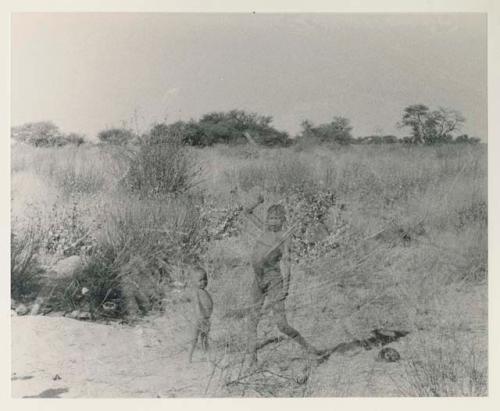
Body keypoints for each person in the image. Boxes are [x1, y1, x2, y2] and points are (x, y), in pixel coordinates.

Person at [244, 194, 322, 367]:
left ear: (283, 220)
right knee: (252, 319)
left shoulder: (284, 237)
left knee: (281, 324)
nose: (273, 221)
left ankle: (310, 349)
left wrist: (286, 287)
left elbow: (287, 262)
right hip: (258, 280)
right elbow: (246, 212)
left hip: (274, 281)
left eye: (277, 218)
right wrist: (257, 200)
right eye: (270, 218)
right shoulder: (263, 230)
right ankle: (252, 358)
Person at [188, 267, 214, 363]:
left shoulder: (205, 292)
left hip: (206, 319)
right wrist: (200, 317)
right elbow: (197, 305)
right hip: (198, 319)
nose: (203, 282)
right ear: (193, 281)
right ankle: (189, 358)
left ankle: (207, 357)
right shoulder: (196, 292)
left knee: (205, 339)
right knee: (194, 339)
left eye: (205, 279)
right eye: (200, 280)